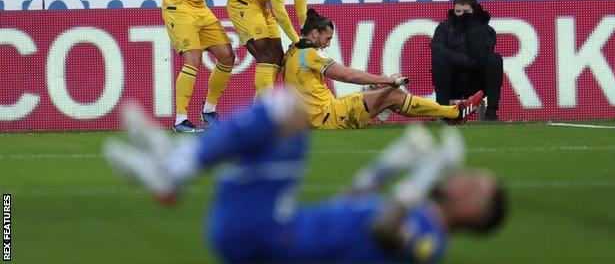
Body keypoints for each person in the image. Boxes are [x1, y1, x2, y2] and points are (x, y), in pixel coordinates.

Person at [104, 90, 506, 263]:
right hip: (265, 227)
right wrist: (390, 164)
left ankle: (175, 166)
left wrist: (425, 174)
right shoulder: (411, 217)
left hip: (265, 237)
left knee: (286, 108)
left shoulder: (429, 243)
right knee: (282, 115)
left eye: (472, 184)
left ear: (472, 211)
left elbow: (386, 229)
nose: (461, 178)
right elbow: (353, 201)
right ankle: (176, 160)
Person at [283, 9, 484, 129]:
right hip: (328, 117)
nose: (327, 44)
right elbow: (348, 75)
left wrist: (378, 81)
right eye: (327, 38)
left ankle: (447, 115)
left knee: (379, 91)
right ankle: (454, 113)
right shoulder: (311, 54)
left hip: (315, 118)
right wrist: (387, 80)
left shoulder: (293, 51)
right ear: (316, 33)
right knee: (393, 94)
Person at [162, 0, 252, 132]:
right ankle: (180, 120)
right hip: (178, 5)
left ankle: (209, 111)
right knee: (193, 58)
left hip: (199, 8)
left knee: (227, 56)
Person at [430, 0, 503, 121]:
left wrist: (472, 26)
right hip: (452, 82)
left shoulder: (486, 30)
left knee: (495, 59)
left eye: (466, 11)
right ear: (453, 10)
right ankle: (442, 111)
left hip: (477, 83)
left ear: (474, 10)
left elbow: (482, 54)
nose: (462, 15)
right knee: (440, 58)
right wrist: (465, 60)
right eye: (458, 11)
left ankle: (491, 112)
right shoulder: (443, 28)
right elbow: (437, 49)